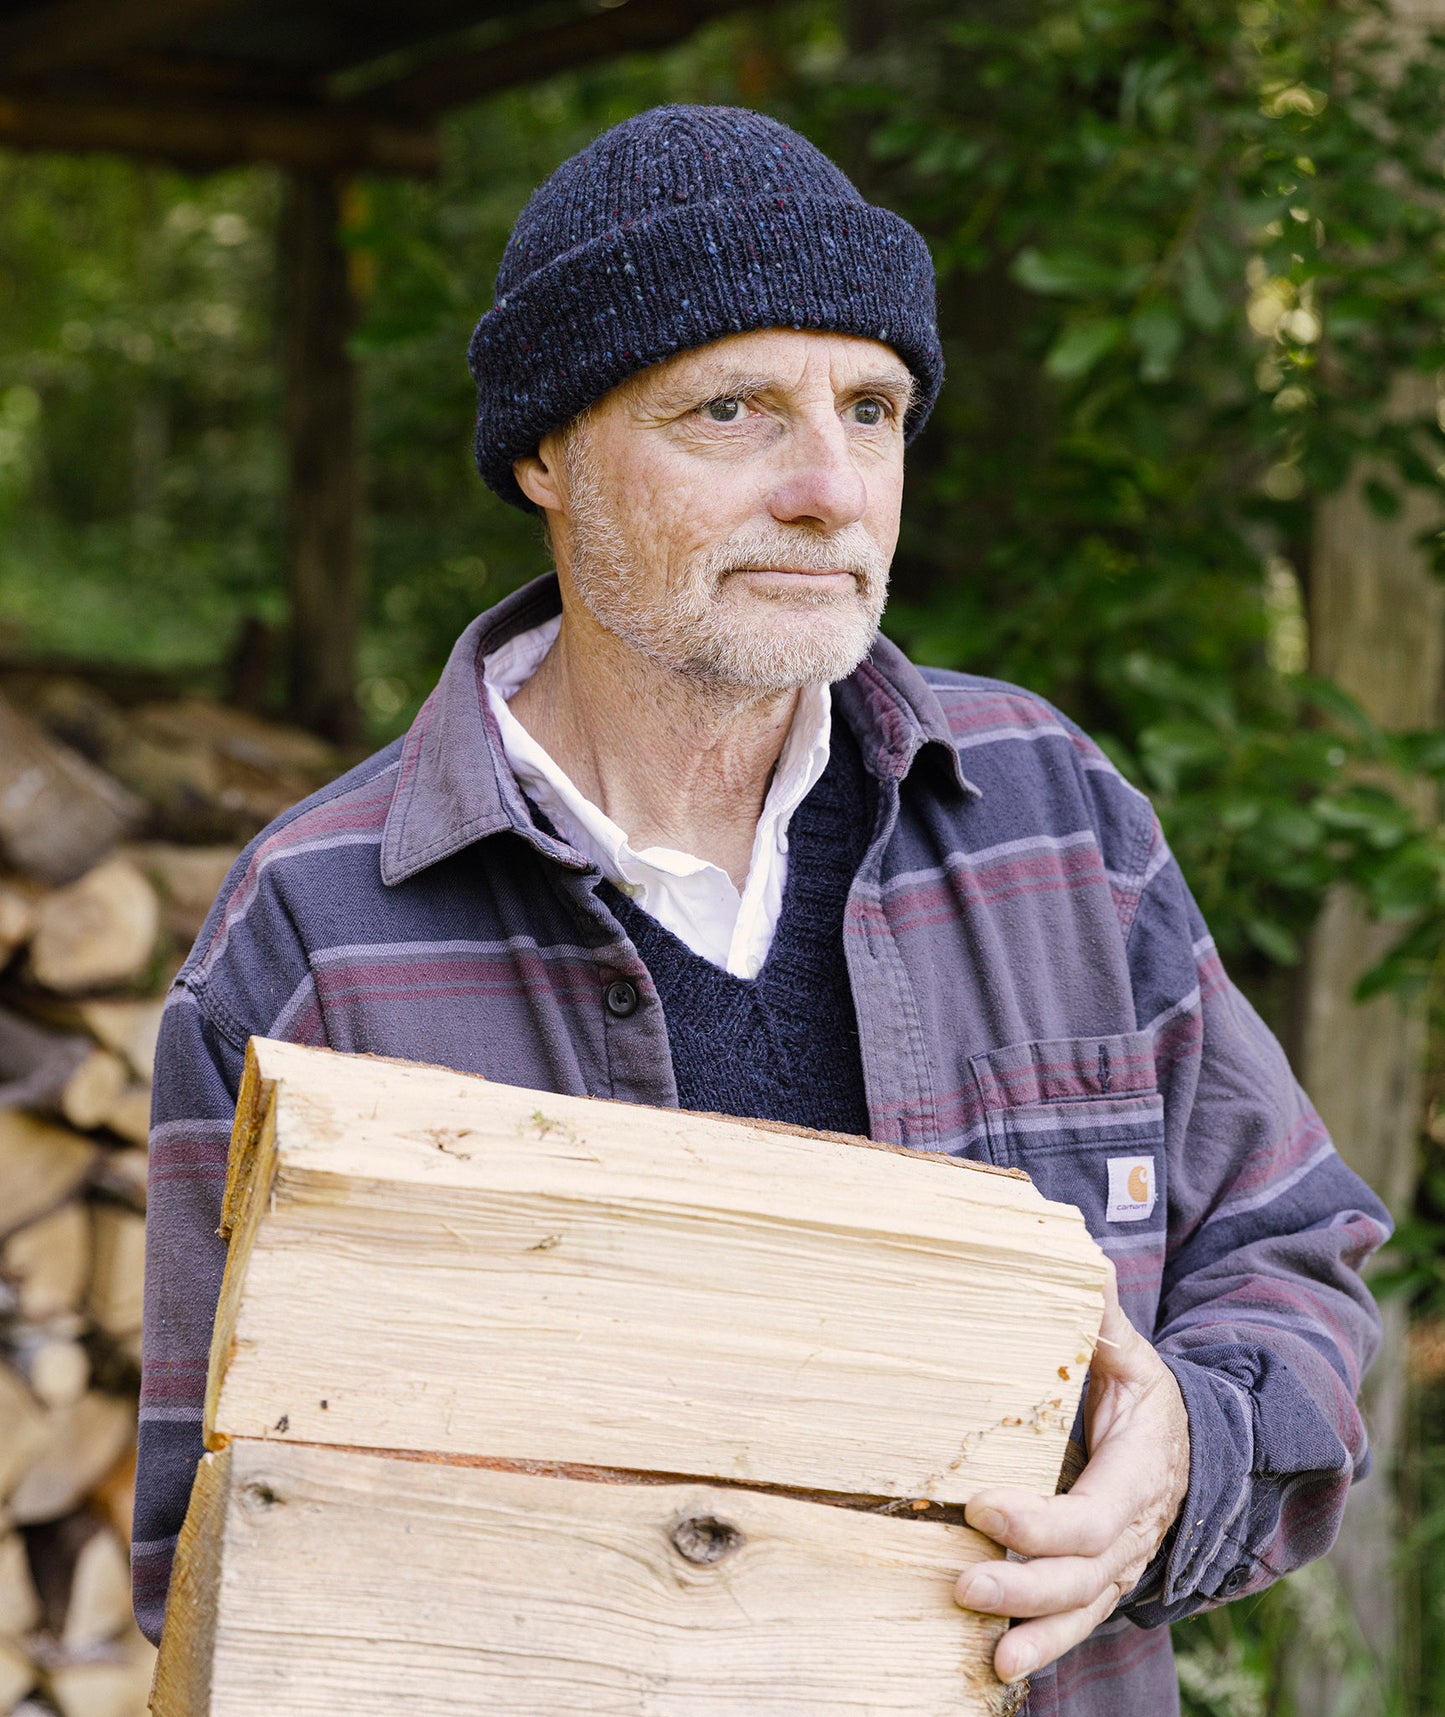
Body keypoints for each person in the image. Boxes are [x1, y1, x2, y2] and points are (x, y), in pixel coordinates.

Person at [136, 104, 1390, 1715]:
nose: (828, 488)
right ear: (544, 453)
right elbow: (215, 1561)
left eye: (870, 410)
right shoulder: (313, 931)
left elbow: (1290, 1250)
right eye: (731, 408)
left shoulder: (1050, 815)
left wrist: (1174, 1473)